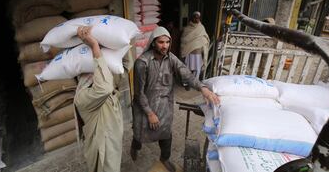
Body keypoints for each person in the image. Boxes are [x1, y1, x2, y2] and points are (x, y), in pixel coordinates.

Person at [130, 26, 220, 172]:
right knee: (139, 133)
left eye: (167, 42)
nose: (164, 46)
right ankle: (135, 147)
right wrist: (150, 113)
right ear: (153, 43)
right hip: (144, 106)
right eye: (161, 42)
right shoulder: (142, 63)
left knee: (166, 134)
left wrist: (202, 88)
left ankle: (165, 158)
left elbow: (186, 74)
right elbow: (139, 94)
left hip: (164, 105)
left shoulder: (171, 58)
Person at [74, 26, 131, 172]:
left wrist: (121, 40)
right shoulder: (83, 97)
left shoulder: (108, 81)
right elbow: (104, 87)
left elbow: (124, 67)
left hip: (113, 140)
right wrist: (94, 46)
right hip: (102, 149)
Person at [180, 11, 210, 80]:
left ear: (199, 19)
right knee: (187, 68)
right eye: (195, 17)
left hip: (198, 53)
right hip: (189, 52)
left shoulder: (201, 28)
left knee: (197, 69)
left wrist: (202, 42)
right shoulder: (187, 28)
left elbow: (205, 38)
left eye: (198, 18)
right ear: (192, 18)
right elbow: (184, 40)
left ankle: (194, 81)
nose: (196, 19)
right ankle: (187, 81)